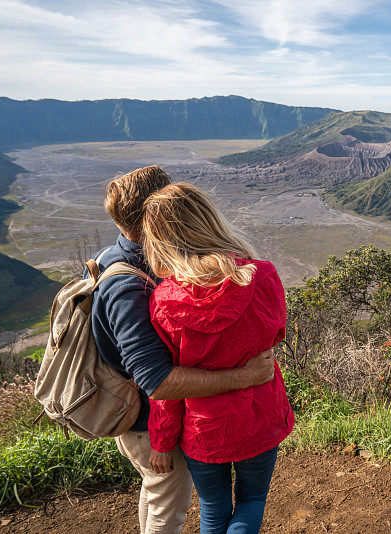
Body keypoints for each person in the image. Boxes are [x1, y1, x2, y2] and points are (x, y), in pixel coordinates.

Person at [90, 166, 276, 534]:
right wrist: (247, 374)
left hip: (191, 426)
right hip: (156, 424)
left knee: (200, 507)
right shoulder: (134, 288)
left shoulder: (147, 282)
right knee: (171, 507)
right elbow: (158, 382)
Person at [141, 183, 294, 534]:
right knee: (252, 502)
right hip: (259, 416)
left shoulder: (164, 300)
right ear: (209, 220)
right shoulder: (262, 276)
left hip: (205, 429)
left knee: (213, 511)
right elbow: (275, 335)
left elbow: (168, 383)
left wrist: (162, 441)